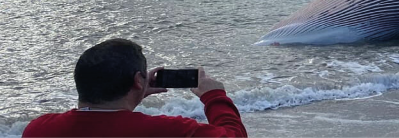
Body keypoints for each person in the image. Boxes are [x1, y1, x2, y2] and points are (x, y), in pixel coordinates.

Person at [22, 38, 247, 138]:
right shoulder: (169, 131)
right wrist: (214, 96)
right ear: (139, 80)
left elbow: (94, 119)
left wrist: (134, 94)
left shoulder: (38, 129)